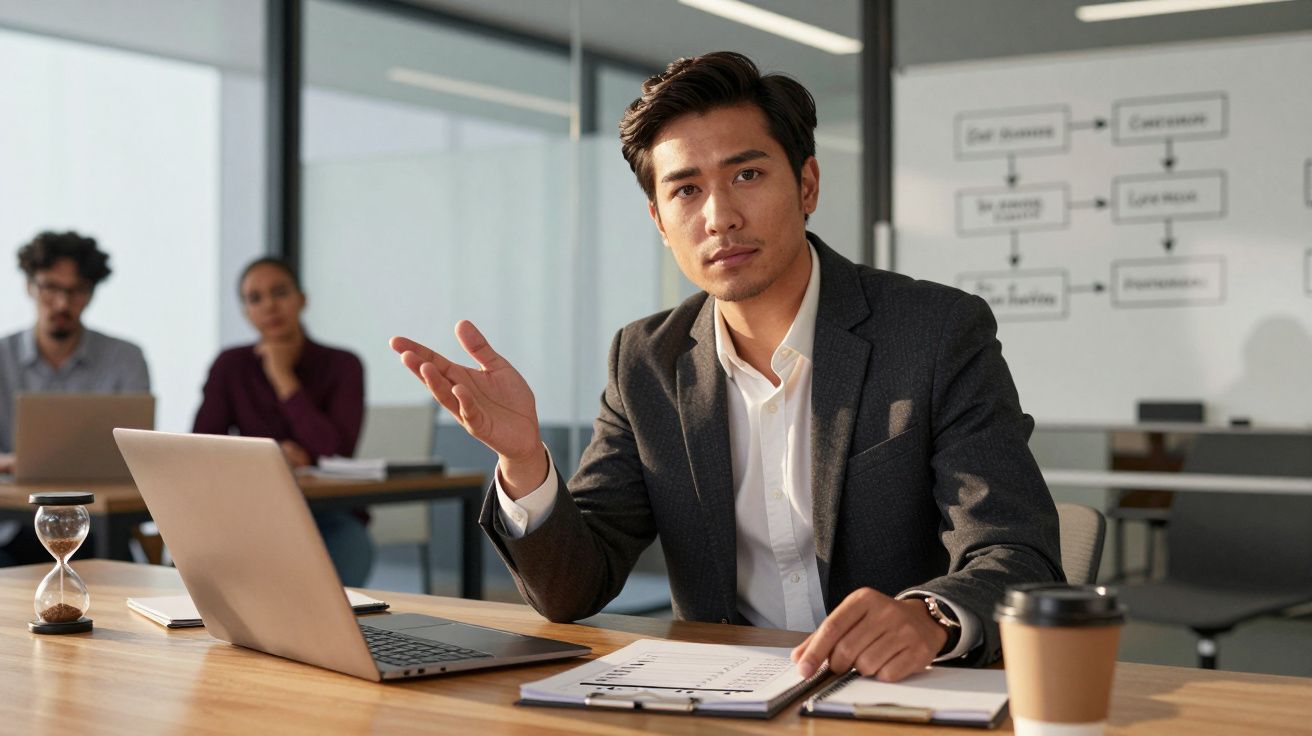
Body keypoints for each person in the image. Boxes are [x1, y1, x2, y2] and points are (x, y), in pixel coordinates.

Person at [390, 52, 1062, 682]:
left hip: (901, 692)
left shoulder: (934, 333)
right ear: (658, 219)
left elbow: (1017, 553)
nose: (720, 217)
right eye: (686, 191)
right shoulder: (645, 361)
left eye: (747, 174)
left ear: (807, 184)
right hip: (726, 702)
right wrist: (525, 463)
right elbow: (573, 589)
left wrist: (928, 617)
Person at [193, 257, 373, 586]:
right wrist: (270, 454)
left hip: (327, 513)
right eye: (255, 298)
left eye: (280, 292)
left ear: (301, 299)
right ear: (246, 311)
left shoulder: (343, 365)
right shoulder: (230, 365)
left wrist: (282, 378)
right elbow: (202, 446)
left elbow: (335, 451)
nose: (270, 305)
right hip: (250, 508)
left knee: (347, 547)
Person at [0, 231, 150, 566]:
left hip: (97, 530)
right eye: (50, 287)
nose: (63, 303)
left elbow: (137, 451)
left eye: (77, 290)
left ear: (91, 292)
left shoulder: (124, 358)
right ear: (29, 285)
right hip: (11, 528)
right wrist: (9, 461)